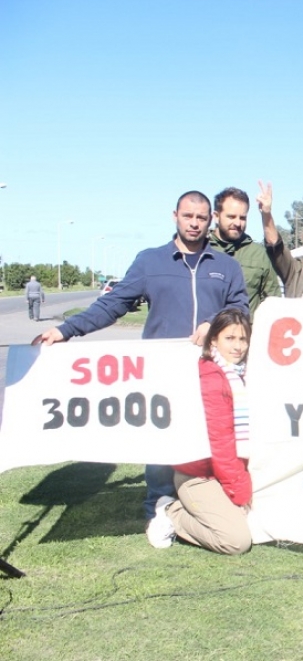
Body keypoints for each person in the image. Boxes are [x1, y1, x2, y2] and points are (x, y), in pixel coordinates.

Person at [37, 191, 249, 537]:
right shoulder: (150, 262)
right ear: (175, 216)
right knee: (163, 440)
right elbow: (113, 304)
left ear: (211, 220)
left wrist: (215, 322)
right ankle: (159, 506)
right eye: (188, 216)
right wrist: (65, 330)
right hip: (163, 372)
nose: (194, 223)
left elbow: (240, 308)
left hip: (213, 370)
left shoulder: (226, 266)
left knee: (216, 439)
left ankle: (211, 499)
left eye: (201, 217)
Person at [146, 308, 253, 554]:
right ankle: (171, 512)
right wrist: (240, 491)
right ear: (213, 339)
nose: (237, 346)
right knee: (236, 540)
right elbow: (221, 441)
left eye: (243, 339)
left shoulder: (242, 373)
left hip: (228, 471)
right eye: (230, 338)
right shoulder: (211, 377)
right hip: (199, 474)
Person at [209, 187, 281, 318]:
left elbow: (274, 302)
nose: (237, 223)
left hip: (248, 335)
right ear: (216, 216)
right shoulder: (202, 250)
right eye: (231, 217)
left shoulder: (259, 254)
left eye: (242, 218)